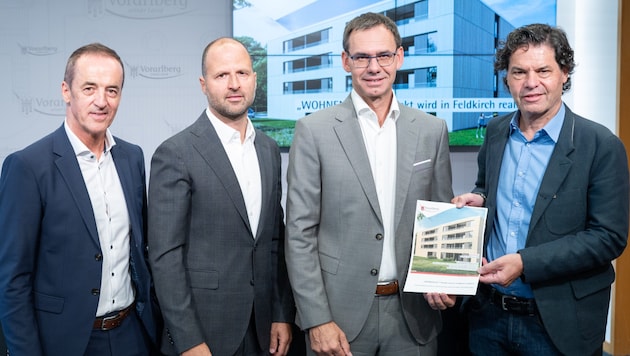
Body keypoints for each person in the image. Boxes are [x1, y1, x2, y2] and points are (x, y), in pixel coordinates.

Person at [285, 12, 456, 356]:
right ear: (346, 62)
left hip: (413, 316)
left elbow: (440, 217)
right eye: (362, 57)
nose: (374, 67)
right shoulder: (313, 131)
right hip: (338, 318)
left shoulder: (430, 130)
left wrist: (444, 281)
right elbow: (299, 234)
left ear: (400, 57)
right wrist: (316, 320)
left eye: (383, 55)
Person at [452, 23, 629, 356]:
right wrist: (480, 199)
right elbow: (488, 189)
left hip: (558, 323)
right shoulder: (496, 131)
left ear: (564, 73)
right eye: (519, 72)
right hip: (489, 316)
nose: (530, 83)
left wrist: (525, 263)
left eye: (543, 70)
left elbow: (608, 237)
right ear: (506, 79)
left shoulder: (601, 145)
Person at [0, 43, 159, 355]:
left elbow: (139, 252)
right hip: (66, 342)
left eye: (112, 90)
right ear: (66, 91)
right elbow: (12, 280)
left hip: (132, 335)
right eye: (89, 88)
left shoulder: (132, 157)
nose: (102, 101)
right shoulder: (28, 167)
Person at [147, 37, 295, 356]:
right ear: (203, 84)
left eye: (242, 73)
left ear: (254, 79)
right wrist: (187, 340)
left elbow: (273, 242)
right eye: (221, 75)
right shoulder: (175, 153)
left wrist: (282, 314)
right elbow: (165, 257)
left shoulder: (268, 149)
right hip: (204, 335)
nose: (234, 84)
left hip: (263, 328)